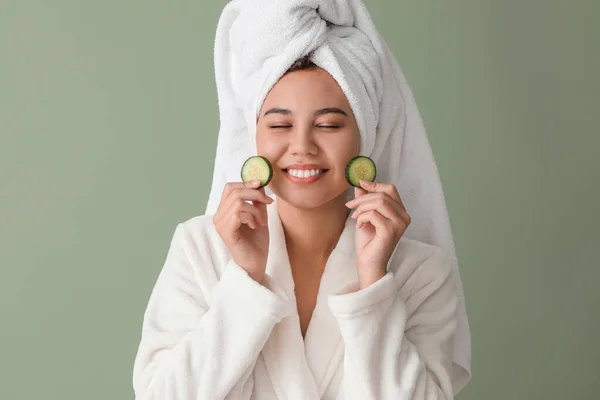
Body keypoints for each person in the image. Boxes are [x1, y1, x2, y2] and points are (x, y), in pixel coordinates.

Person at [132, 1, 471, 399]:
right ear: (254, 136)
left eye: (328, 124)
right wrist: (244, 278)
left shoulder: (420, 272)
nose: (302, 147)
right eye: (279, 124)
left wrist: (374, 285)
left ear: (365, 133)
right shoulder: (200, 250)